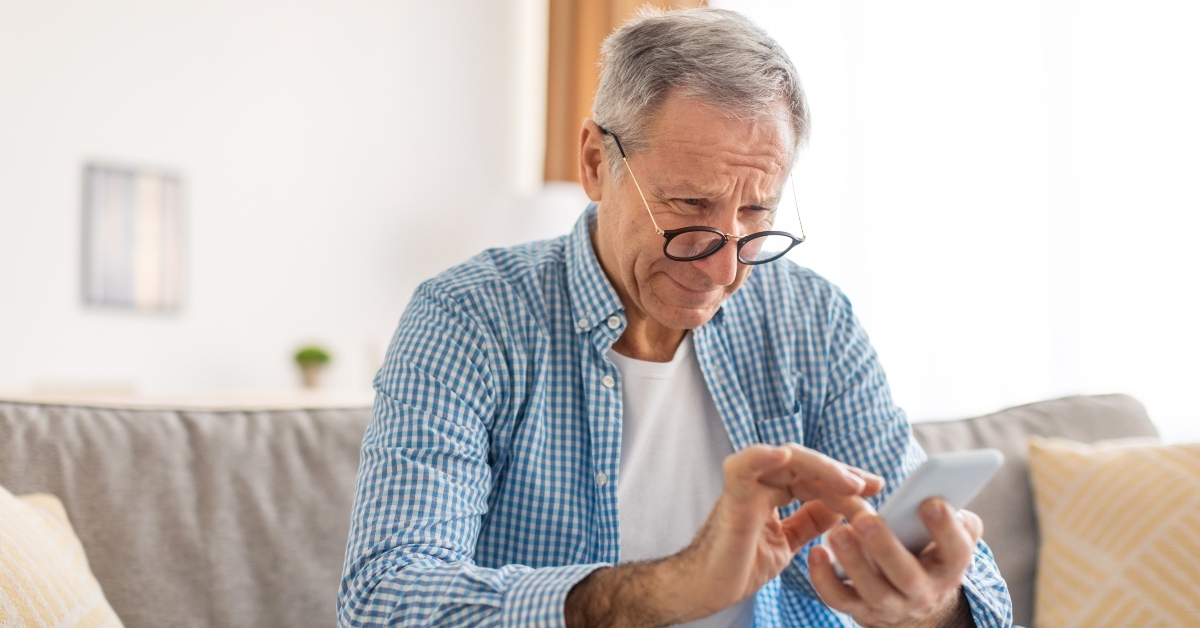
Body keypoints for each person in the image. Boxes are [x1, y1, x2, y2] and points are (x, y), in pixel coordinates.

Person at [338, 7, 1012, 628]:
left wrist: (931, 604)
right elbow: (384, 598)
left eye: (755, 216)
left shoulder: (813, 320)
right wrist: (676, 587)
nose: (722, 271)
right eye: (688, 207)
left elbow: (969, 590)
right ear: (597, 162)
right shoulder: (470, 319)